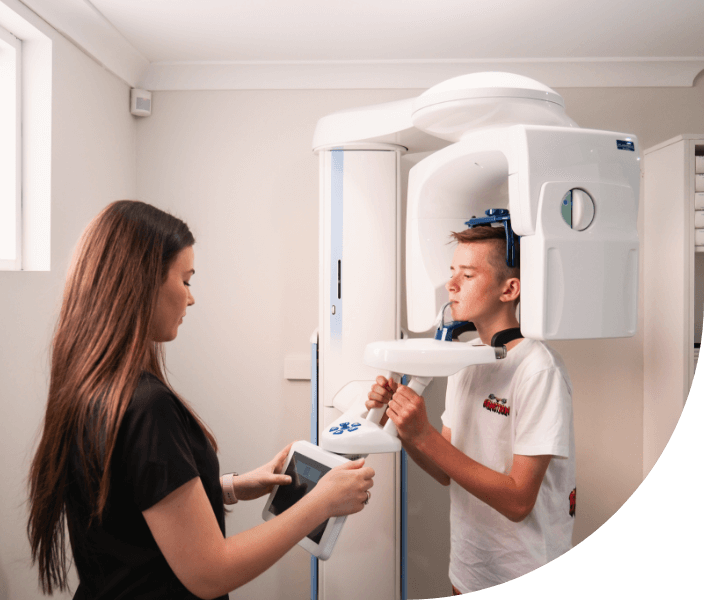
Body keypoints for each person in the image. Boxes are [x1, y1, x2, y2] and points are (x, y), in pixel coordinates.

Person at [27, 200, 374, 599]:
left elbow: (127, 508)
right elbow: (211, 573)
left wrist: (228, 487)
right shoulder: (146, 406)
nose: (190, 299)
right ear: (140, 283)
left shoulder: (89, 386)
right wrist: (321, 504)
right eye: (186, 280)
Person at [366, 225, 575, 594]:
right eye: (451, 274)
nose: (451, 286)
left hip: (523, 565)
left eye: (467, 275)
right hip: (468, 567)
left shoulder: (539, 369)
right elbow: (446, 470)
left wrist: (425, 436)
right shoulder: (464, 359)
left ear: (509, 289)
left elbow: (518, 500)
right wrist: (401, 422)